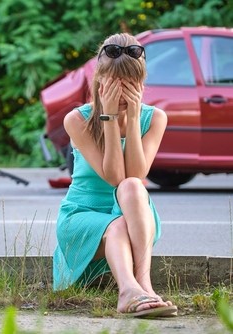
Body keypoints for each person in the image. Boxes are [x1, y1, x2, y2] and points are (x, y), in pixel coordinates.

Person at [52, 32, 178, 318]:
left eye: (130, 84)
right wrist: (109, 119)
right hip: (82, 216)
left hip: (136, 217)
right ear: (99, 82)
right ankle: (128, 292)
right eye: (114, 84)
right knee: (117, 224)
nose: (122, 93)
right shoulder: (77, 120)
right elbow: (113, 178)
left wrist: (132, 120)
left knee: (134, 187)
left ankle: (143, 284)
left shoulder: (155, 118)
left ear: (142, 84)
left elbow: (133, 177)